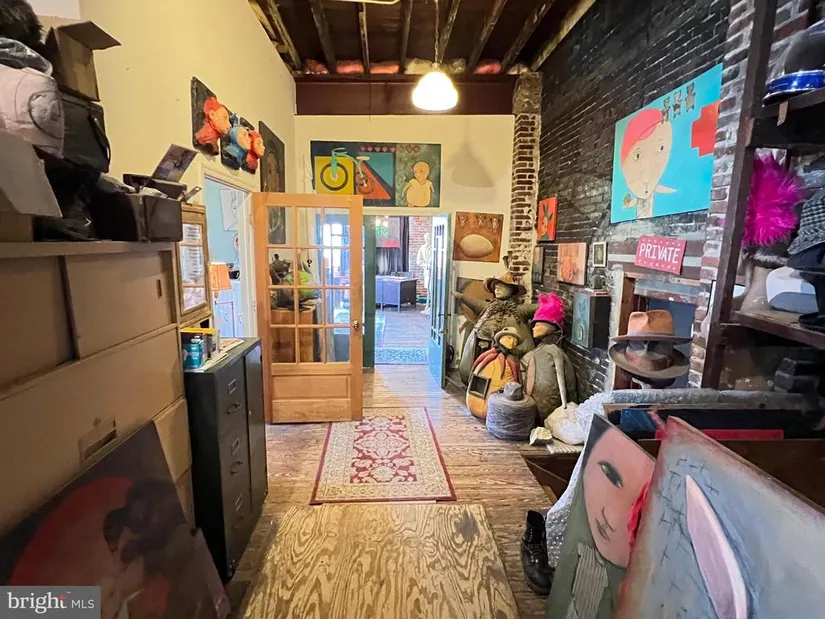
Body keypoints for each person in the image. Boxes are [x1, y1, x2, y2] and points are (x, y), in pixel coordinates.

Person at [619, 108, 675, 219]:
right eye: (637, 156)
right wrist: (627, 205)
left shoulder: (651, 188)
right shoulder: (640, 194)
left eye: (661, 148)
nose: (646, 178)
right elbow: (635, 202)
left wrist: (673, 191)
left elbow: (661, 189)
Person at [416, 232, 433, 315]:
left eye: (429, 238)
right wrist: (425, 265)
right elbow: (418, 261)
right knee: (429, 289)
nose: (427, 240)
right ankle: (428, 307)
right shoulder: (422, 248)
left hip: (435, 271)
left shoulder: (435, 247)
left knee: (433, 289)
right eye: (426, 238)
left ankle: (432, 307)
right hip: (427, 271)